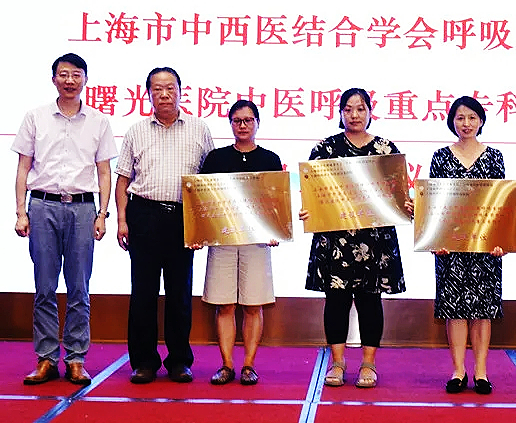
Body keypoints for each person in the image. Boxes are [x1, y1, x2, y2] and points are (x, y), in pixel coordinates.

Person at [13, 53, 117, 386]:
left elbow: (104, 172)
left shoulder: (98, 121)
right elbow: (23, 167)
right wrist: (21, 211)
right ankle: (46, 358)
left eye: (76, 75)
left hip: (83, 209)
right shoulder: (35, 117)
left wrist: (102, 214)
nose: (69, 80)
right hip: (42, 206)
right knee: (44, 287)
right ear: (54, 79)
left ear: (85, 79)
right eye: (63, 74)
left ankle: (75, 359)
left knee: (79, 288)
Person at [299, 88, 407, 389]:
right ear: (340, 113)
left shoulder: (385, 150)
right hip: (335, 238)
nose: (355, 115)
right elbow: (313, 194)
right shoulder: (325, 149)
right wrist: (308, 211)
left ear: (370, 112)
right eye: (348, 109)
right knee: (336, 301)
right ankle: (337, 361)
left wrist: (406, 205)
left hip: (374, 238)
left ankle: (368, 363)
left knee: (370, 301)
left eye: (360, 109)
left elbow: (397, 195)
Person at [115, 67, 214, 384]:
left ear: (181, 91)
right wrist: (121, 220)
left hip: (184, 217)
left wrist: (204, 225)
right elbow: (123, 180)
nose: (164, 94)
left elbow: (210, 181)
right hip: (143, 214)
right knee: (143, 293)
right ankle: (143, 361)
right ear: (148, 95)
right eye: (157, 89)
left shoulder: (199, 129)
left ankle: (179, 361)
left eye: (170, 88)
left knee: (179, 293)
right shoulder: (136, 131)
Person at [199, 99, 283, 386]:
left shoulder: (270, 159)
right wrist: (199, 234)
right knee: (224, 305)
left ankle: (248, 365)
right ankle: (226, 365)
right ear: (230, 124)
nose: (243, 125)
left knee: (252, 305)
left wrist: (277, 229)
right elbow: (202, 202)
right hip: (222, 239)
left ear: (257, 123)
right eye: (237, 120)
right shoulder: (216, 158)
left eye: (248, 120)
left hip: (256, 241)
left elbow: (277, 202)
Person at [428, 96, 506, 395]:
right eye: (460, 118)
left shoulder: (494, 156)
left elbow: (501, 204)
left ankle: (481, 372)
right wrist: (435, 240)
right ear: (452, 121)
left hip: (486, 247)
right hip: (450, 246)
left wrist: (500, 240)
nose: (466, 123)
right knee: (455, 309)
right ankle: (458, 371)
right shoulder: (440, 157)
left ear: (481, 121)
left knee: (483, 309)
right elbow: (434, 203)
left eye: (472, 117)